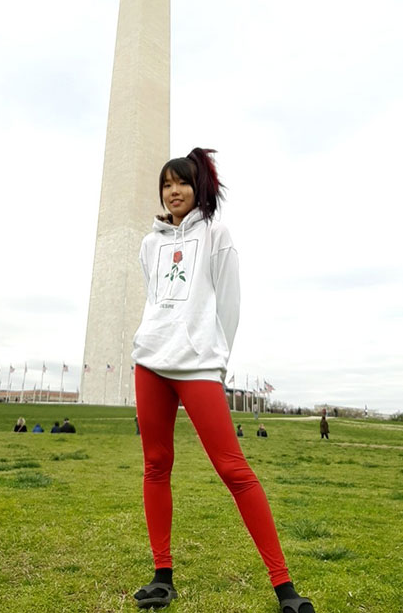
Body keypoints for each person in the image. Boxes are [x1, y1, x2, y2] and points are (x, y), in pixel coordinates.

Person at [131, 148, 315, 612]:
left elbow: (228, 305)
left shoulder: (217, 234)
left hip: (197, 366)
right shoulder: (149, 244)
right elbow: (156, 300)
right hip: (150, 362)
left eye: (182, 183)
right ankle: (162, 575)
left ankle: (284, 588)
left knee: (235, 470)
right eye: (167, 184)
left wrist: (217, 359)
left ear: (199, 189)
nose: (174, 192)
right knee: (156, 464)